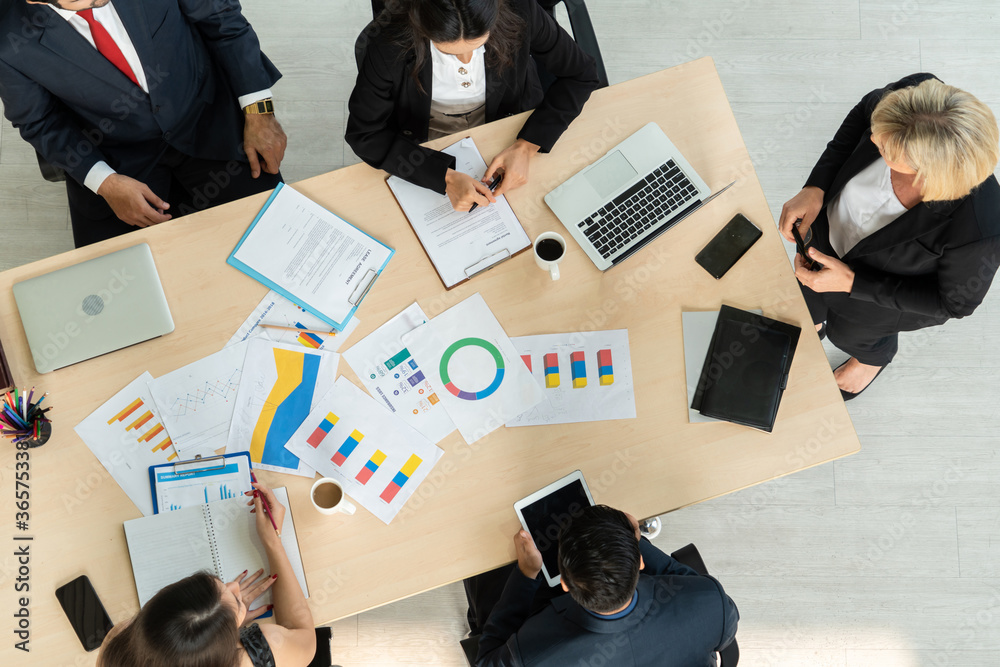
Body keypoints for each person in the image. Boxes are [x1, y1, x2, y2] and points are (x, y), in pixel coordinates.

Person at [779, 73, 1000, 399]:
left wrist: (853, 284)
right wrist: (815, 186)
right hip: (820, 241)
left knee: (849, 336)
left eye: (884, 147)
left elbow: (953, 304)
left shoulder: (981, 226)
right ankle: (813, 319)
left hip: (875, 302)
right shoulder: (909, 98)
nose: (872, 141)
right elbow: (860, 117)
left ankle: (872, 358)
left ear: (927, 170)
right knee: (805, 298)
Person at [0, 0, 288, 247]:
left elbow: (221, 18)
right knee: (132, 295)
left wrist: (260, 110)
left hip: (207, 118)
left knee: (277, 241)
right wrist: (105, 182)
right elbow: (39, 121)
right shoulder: (9, 41)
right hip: (116, 156)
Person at [346, 0, 601, 212]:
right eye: (450, 53)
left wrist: (526, 146)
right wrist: (444, 177)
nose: (466, 61)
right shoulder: (389, 43)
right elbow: (365, 134)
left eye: (477, 46)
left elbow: (581, 73)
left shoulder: (521, 9)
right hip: (423, 142)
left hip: (508, 127)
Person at [466, 505, 739, 666]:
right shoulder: (711, 605)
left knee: (484, 575)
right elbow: (682, 580)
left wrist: (526, 575)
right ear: (641, 563)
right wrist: (637, 541)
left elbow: (487, 658)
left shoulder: (534, 653)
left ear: (564, 584)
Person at [97, 483, 317, 667]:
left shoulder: (116, 647)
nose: (235, 586)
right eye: (236, 601)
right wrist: (272, 539)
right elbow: (305, 640)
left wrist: (221, 626)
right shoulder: (257, 655)